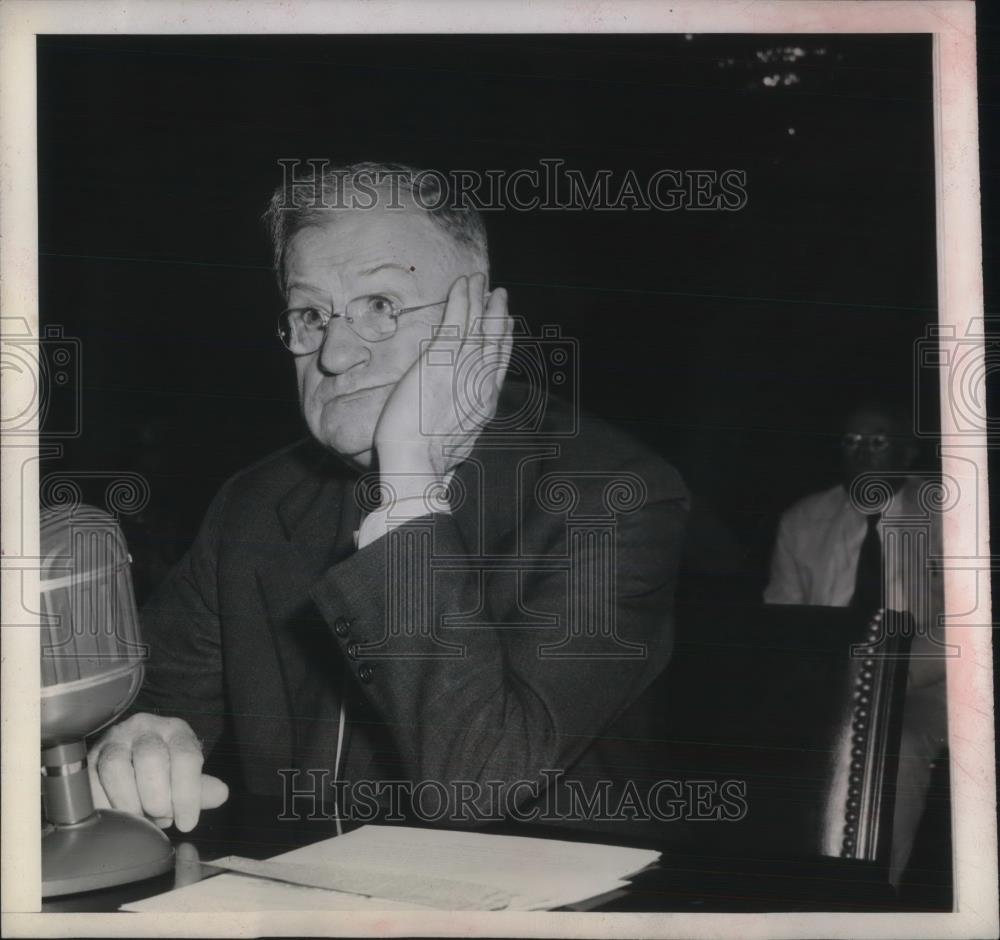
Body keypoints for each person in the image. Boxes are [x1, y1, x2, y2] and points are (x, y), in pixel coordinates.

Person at [86, 162, 690, 834]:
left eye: (381, 306)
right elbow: (138, 705)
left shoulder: (608, 499)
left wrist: (407, 485)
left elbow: (479, 783)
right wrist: (134, 740)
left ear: (481, 321)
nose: (336, 353)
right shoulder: (254, 507)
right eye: (310, 314)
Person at [764, 398, 948, 886]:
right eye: (850, 441)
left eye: (878, 441)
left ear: (907, 454)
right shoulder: (802, 520)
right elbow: (783, 620)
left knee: (896, 746)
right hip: (824, 684)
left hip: (928, 683)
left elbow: (969, 621)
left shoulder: (948, 509)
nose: (862, 452)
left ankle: (865, 895)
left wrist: (881, 673)